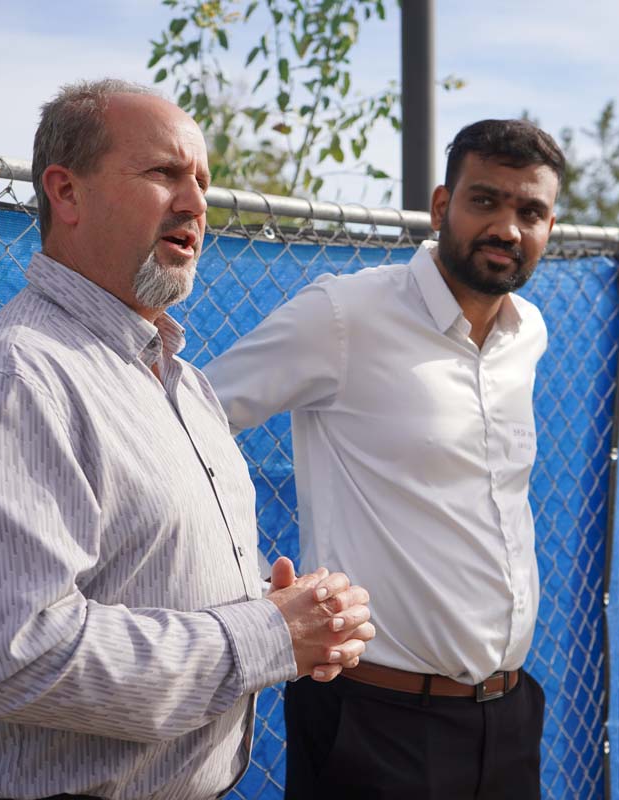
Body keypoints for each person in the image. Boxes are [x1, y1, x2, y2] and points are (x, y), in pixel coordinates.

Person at [0, 78, 374, 800]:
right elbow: (15, 657)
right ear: (67, 193)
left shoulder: (184, 384)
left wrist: (296, 618)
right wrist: (267, 635)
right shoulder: (13, 380)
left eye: (203, 183)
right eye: (163, 174)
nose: (196, 203)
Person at [203, 119, 563, 799]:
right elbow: (187, 423)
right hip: (377, 722)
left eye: (531, 211)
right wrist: (251, 583)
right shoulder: (344, 315)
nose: (508, 228)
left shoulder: (529, 333)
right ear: (440, 206)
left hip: (510, 716)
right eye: (485, 201)